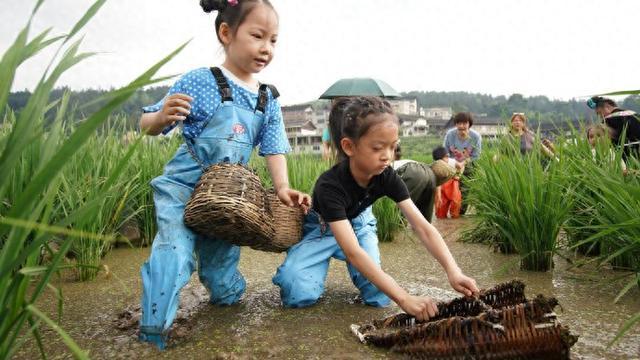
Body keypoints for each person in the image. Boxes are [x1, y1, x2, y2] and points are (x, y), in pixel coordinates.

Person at [137, 0, 310, 349]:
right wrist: (158, 119)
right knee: (173, 253)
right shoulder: (202, 81)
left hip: (227, 200)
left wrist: (283, 188)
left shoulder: (267, 98)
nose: (266, 48)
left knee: (221, 273)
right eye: (257, 36)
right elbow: (147, 123)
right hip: (183, 188)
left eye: (273, 40)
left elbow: (273, 147)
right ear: (226, 33)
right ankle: (152, 333)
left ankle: (226, 315)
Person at [272, 97, 479, 321]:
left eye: (393, 146)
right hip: (323, 229)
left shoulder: (386, 175)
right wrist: (404, 298)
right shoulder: (330, 186)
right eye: (378, 148)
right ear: (349, 147)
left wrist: (453, 270)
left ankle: (370, 284)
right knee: (296, 294)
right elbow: (354, 252)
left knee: (379, 296)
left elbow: (423, 227)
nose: (387, 156)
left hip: (359, 224)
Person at [393, 145, 458, 223]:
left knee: (400, 208)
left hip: (398, 171)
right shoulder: (431, 181)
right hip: (401, 173)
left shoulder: (423, 168)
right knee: (401, 210)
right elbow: (426, 213)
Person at [442, 112, 481, 215]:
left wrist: (463, 163)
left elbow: (475, 156)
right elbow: (445, 152)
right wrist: (454, 163)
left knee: (464, 191)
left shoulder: (475, 137)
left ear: (469, 124)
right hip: (451, 165)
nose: (461, 126)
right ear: (456, 124)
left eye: (464, 123)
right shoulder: (450, 134)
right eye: (459, 123)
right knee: (448, 190)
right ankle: (446, 213)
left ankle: (459, 214)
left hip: (469, 166)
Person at [587, 96, 640, 160]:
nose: (601, 116)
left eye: (600, 113)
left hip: (628, 157)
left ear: (607, 106)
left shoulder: (609, 120)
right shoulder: (634, 114)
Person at [433, 147, 463, 219]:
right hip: (441, 185)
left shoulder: (452, 162)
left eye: (442, 160)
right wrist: (439, 196)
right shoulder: (436, 166)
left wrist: (459, 175)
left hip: (453, 184)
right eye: (438, 161)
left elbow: (461, 165)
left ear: (447, 156)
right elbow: (438, 182)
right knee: (440, 211)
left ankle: (455, 217)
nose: (440, 163)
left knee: (456, 203)